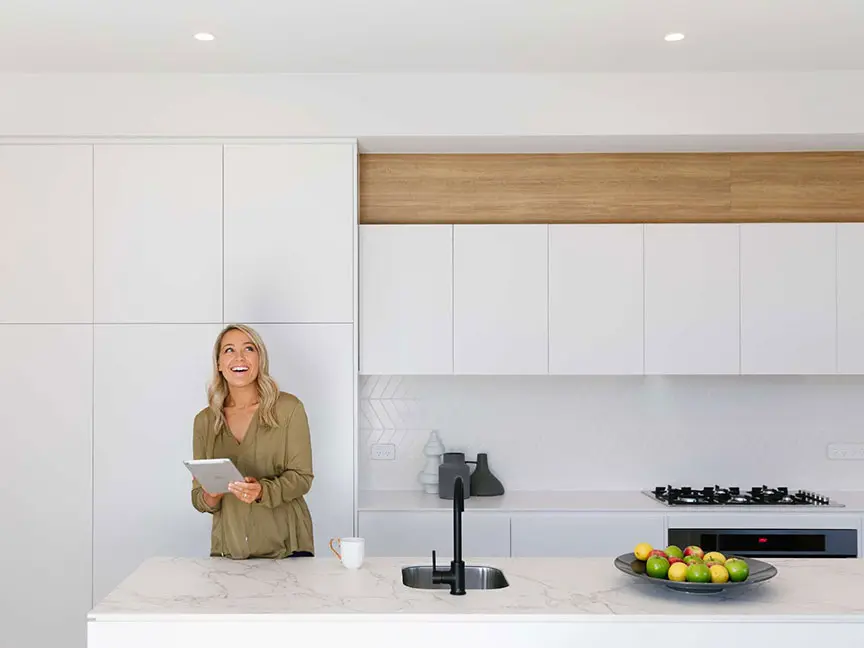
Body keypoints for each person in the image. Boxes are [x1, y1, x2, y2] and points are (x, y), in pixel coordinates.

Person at [190, 323, 315, 559]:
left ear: (260, 359)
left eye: (248, 349)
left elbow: (302, 478)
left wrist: (261, 491)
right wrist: (211, 495)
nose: (239, 357)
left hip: (287, 547)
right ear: (218, 363)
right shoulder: (204, 421)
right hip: (229, 549)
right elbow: (199, 498)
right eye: (229, 350)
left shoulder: (289, 409)